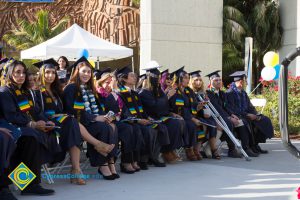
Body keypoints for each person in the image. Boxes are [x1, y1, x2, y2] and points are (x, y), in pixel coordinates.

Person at [34, 58, 114, 184]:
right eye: (47, 72)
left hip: (61, 123)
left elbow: (64, 110)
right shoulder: (36, 92)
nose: (50, 75)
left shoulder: (57, 91)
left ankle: (76, 170)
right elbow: (36, 112)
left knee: (76, 128)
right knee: (73, 123)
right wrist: (46, 119)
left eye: (53, 72)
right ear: (41, 74)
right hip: (46, 125)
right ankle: (96, 146)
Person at [0, 60, 57, 195]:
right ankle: (27, 184)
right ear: (9, 74)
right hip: (10, 127)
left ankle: (31, 185)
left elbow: (34, 111)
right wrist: (32, 124)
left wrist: (46, 121)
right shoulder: (5, 92)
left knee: (33, 138)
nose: (21, 76)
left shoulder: (22, 91)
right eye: (17, 72)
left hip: (22, 128)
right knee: (30, 137)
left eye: (23, 73)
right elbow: (11, 115)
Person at [63, 57, 118, 180]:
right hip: (80, 123)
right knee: (103, 128)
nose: (86, 74)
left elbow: (98, 107)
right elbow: (75, 111)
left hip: (91, 121)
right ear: (77, 72)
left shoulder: (90, 89)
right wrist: (95, 117)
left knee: (111, 126)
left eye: (89, 72)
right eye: (84, 71)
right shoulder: (72, 88)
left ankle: (110, 161)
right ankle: (102, 165)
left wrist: (106, 117)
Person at [116, 65, 167, 169]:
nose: (135, 77)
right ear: (124, 78)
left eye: (134, 76)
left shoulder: (134, 94)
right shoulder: (120, 93)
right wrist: (138, 121)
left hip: (139, 121)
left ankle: (149, 158)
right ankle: (135, 160)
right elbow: (124, 113)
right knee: (144, 130)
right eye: (131, 76)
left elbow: (141, 110)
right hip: (127, 122)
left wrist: (147, 118)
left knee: (159, 127)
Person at [95, 68, 143, 173]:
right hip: (103, 122)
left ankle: (132, 159)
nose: (109, 85)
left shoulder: (114, 94)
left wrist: (129, 118)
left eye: (111, 83)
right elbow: (103, 110)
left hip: (115, 120)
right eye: (106, 83)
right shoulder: (98, 94)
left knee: (134, 128)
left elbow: (121, 110)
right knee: (127, 129)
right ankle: (125, 162)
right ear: (101, 82)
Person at [205, 70, 258, 157]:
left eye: (220, 80)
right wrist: (229, 118)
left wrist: (232, 114)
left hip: (225, 116)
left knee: (242, 122)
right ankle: (232, 149)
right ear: (211, 82)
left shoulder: (222, 93)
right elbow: (217, 109)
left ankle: (246, 148)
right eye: (216, 80)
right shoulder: (208, 94)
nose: (219, 82)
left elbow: (226, 107)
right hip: (216, 117)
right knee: (229, 123)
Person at [139, 67, 185, 163]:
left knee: (176, 123)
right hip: (151, 117)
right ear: (150, 79)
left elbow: (166, 106)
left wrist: (172, 113)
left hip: (161, 116)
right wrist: (168, 96)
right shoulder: (144, 92)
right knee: (166, 126)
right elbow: (154, 106)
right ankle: (166, 151)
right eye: (156, 78)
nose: (159, 80)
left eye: (159, 78)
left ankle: (170, 149)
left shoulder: (159, 90)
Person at [226, 71, 273, 154]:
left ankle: (255, 145)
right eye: (245, 81)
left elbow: (250, 106)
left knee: (264, 119)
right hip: (237, 116)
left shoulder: (243, 92)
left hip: (246, 115)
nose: (246, 83)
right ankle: (246, 147)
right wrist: (247, 114)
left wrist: (256, 114)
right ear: (241, 82)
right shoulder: (230, 93)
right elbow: (232, 109)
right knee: (245, 122)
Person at [168, 67, 200, 161]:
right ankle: (188, 148)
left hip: (187, 116)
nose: (187, 80)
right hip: (176, 115)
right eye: (185, 77)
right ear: (179, 78)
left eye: (188, 78)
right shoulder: (174, 90)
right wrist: (192, 118)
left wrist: (198, 107)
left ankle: (194, 148)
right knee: (191, 125)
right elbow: (179, 108)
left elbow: (192, 105)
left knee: (197, 124)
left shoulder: (188, 91)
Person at [188, 70, 219, 159]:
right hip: (193, 116)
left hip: (202, 115)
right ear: (192, 81)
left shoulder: (202, 92)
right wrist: (198, 108)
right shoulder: (190, 92)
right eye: (196, 80)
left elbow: (204, 108)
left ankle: (213, 149)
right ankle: (196, 149)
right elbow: (189, 108)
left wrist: (206, 103)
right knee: (204, 125)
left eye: (200, 80)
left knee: (212, 123)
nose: (199, 82)